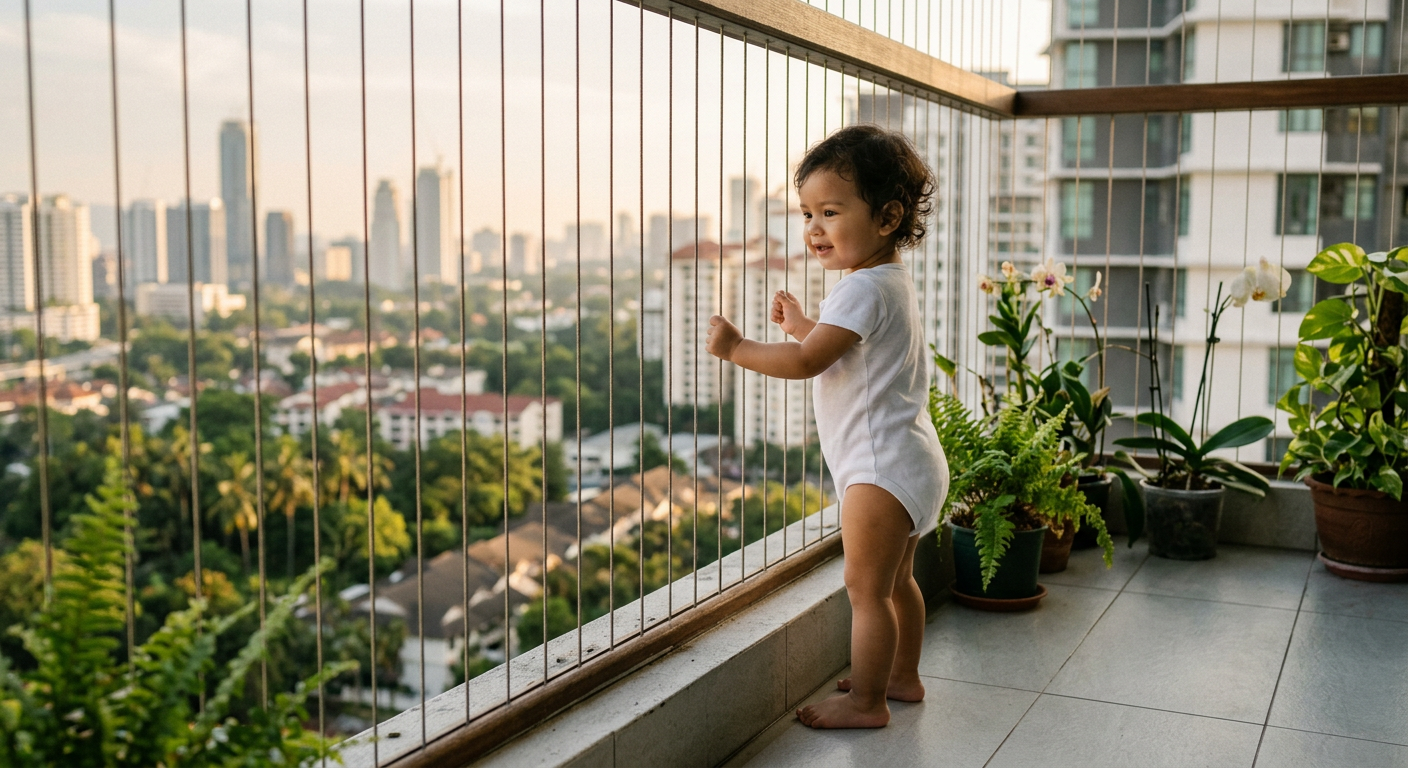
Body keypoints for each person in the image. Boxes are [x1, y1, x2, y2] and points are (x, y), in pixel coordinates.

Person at [705, 124, 948, 729]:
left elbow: (810, 362)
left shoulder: (859, 288)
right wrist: (804, 323)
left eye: (831, 212)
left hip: (876, 469)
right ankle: (902, 676)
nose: (814, 228)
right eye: (808, 212)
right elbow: (846, 349)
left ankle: (868, 703)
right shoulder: (888, 282)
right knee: (898, 583)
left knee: (866, 591)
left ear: (888, 216)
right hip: (912, 459)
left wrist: (739, 348)